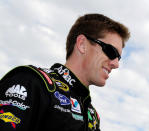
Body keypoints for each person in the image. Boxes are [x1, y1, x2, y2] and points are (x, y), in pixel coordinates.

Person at [0, 13, 130, 131]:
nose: (116, 64)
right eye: (111, 52)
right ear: (82, 44)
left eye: (118, 58)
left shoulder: (92, 116)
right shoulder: (33, 82)